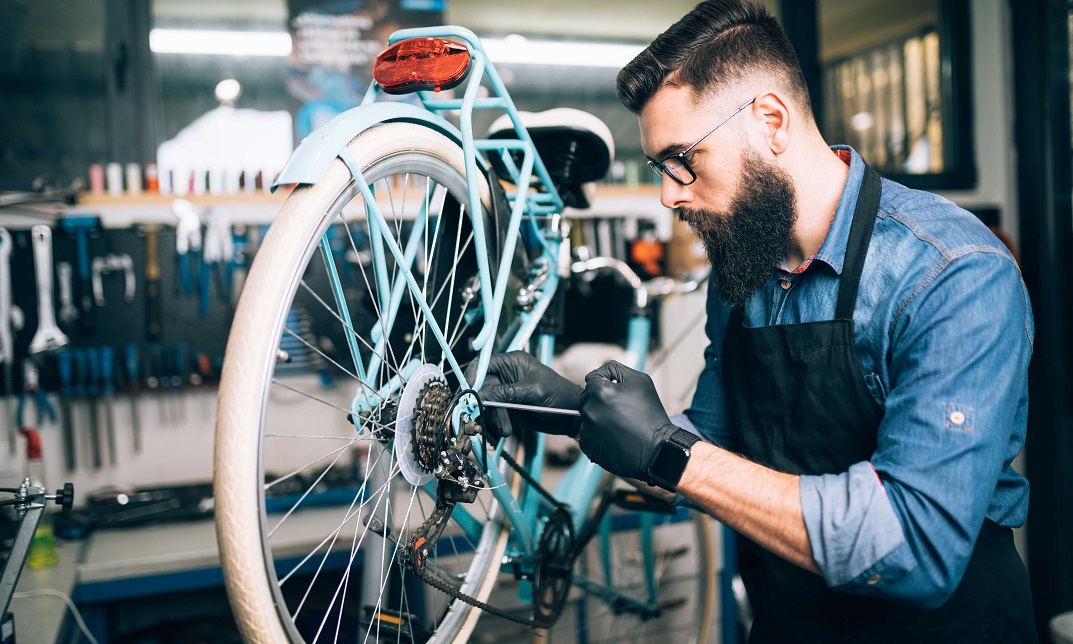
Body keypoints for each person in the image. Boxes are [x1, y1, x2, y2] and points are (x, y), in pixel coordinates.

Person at [477, 1, 1037, 641]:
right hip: (790, 624)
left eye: (681, 158)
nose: (669, 193)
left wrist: (669, 452)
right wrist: (577, 414)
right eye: (661, 168)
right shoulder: (743, 274)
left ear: (771, 121)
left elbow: (914, 545)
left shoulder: (952, 273)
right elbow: (711, 452)